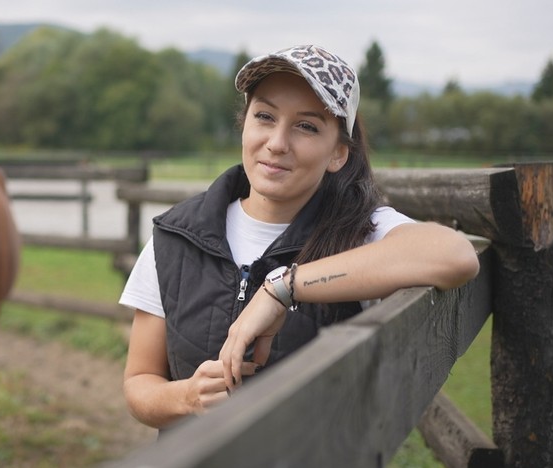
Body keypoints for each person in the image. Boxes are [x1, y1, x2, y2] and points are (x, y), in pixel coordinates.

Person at [119, 44, 480, 431]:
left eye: (306, 126)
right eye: (264, 116)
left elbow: (455, 255)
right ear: (244, 125)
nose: (277, 142)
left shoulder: (359, 232)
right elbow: (139, 383)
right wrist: (186, 397)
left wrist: (283, 288)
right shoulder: (177, 235)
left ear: (338, 153)